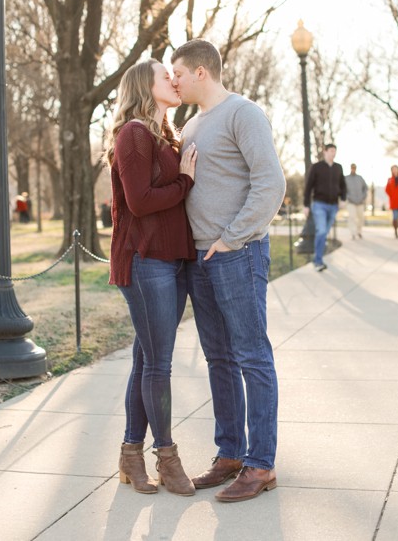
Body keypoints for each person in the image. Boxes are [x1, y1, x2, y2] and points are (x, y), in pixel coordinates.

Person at [171, 39, 287, 503]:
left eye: (177, 72)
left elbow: (270, 183)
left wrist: (230, 238)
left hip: (236, 253)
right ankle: (230, 455)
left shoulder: (244, 113)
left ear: (201, 71)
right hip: (200, 259)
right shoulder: (190, 124)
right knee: (218, 359)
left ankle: (261, 465)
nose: (173, 80)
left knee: (252, 357)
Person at [107, 60, 198, 497]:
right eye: (167, 76)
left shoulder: (165, 134)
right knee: (158, 364)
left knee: (146, 361)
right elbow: (139, 202)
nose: (174, 80)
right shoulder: (134, 134)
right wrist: (185, 181)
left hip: (172, 260)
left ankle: (130, 455)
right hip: (145, 262)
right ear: (147, 85)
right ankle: (167, 457)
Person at [303, 144, 346, 271]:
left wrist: (343, 199)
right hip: (319, 205)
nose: (333, 153)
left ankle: (319, 257)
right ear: (325, 152)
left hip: (333, 206)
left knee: (324, 233)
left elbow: (343, 185)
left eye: (335, 151)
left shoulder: (338, 167)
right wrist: (306, 205)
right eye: (331, 151)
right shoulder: (317, 167)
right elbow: (308, 186)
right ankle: (318, 261)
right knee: (321, 231)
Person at [344, 163, 368, 240]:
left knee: (361, 218)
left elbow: (365, 188)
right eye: (352, 168)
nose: (353, 169)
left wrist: (363, 197)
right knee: (352, 217)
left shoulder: (360, 178)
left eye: (354, 168)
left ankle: (359, 231)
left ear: (356, 168)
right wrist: (348, 197)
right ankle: (353, 233)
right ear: (350, 168)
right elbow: (344, 190)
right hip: (351, 202)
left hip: (360, 202)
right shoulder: (346, 178)